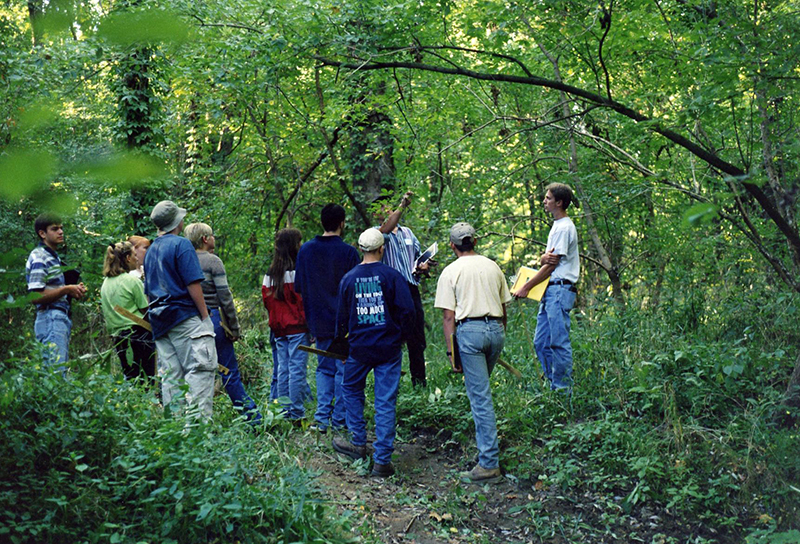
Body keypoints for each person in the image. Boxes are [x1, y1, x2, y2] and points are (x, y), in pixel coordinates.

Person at [332, 228, 415, 477]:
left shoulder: (348, 279)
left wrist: (342, 347)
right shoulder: (392, 276)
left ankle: (358, 442)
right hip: (388, 349)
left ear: (360, 249)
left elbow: (341, 319)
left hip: (358, 349)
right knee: (385, 401)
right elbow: (408, 311)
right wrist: (400, 337)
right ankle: (382, 461)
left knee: (351, 389)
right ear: (382, 249)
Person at [435, 222, 511, 484]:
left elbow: (448, 317)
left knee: (480, 398)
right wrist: (499, 334)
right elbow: (504, 306)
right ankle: (484, 450)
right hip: (495, 330)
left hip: (471, 333)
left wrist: (451, 354)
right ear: (475, 242)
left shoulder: (450, 271)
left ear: (452, 245)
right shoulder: (492, 266)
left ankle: (489, 462)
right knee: (481, 393)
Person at [144, 201, 217, 420]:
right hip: (184, 318)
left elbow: (149, 291)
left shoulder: (150, 250)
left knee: (171, 378)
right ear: (177, 221)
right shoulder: (181, 245)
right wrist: (205, 316)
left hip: (160, 323)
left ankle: (174, 432)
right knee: (200, 371)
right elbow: (193, 283)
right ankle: (196, 433)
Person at [184, 222, 262, 424]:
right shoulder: (213, 262)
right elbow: (225, 298)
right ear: (204, 239)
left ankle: (193, 420)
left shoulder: (183, 260)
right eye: (212, 235)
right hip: (213, 320)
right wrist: (235, 328)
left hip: (189, 322)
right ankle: (253, 419)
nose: (214, 239)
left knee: (194, 372)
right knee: (229, 372)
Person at [294, 204, 360, 433]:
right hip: (345, 323)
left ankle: (322, 419)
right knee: (343, 370)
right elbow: (355, 292)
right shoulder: (350, 253)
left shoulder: (306, 251)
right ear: (342, 223)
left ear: (322, 222)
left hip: (318, 320)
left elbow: (300, 288)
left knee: (323, 369)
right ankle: (340, 419)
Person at [511, 183, 579, 392]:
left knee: (558, 342)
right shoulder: (557, 227)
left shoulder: (565, 227)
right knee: (541, 343)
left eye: (548, 198)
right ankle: (553, 385)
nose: (544, 201)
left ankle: (563, 390)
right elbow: (549, 259)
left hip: (559, 290)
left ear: (559, 202)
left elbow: (551, 266)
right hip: (550, 291)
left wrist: (526, 287)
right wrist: (542, 258)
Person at [376, 191, 431, 387]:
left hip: (411, 288)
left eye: (387, 206)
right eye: (381, 208)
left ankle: (419, 383)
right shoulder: (376, 233)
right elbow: (387, 228)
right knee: (392, 338)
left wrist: (423, 266)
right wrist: (403, 205)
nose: (386, 210)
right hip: (390, 293)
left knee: (417, 338)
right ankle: (390, 385)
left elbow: (417, 258)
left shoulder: (408, 232)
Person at [25, 213, 87, 372]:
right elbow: (35, 296)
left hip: (59, 317)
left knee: (58, 374)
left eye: (61, 228)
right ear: (42, 233)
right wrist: (67, 288)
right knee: (55, 375)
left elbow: (52, 289)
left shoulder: (53, 257)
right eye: (55, 229)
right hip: (50, 317)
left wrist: (73, 290)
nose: (61, 232)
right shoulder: (40, 256)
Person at [262, 228, 310, 424]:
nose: (300, 246)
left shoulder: (271, 273)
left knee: (283, 368)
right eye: (298, 242)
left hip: (279, 327)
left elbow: (267, 301)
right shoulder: (298, 271)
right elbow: (303, 301)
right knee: (297, 369)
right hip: (297, 327)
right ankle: (297, 413)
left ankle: (282, 411)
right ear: (292, 245)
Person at [100, 241, 156, 382]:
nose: (137, 259)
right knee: (146, 378)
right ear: (127, 258)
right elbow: (146, 309)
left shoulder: (105, 283)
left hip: (118, 337)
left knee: (130, 376)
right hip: (139, 334)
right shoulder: (131, 281)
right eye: (134, 255)